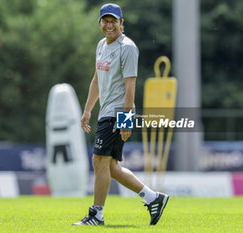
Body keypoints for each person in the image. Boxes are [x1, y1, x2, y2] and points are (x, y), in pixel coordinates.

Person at [72, 3, 169, 226]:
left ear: (121, 23)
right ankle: (154, 198)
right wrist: (87, 110)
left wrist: (126, 121)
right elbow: (97, 79)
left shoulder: (127, 47)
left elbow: (131, 86)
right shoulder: (101, 46)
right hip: (105, 112)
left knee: (98, 161)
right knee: (111, 167)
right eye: (105, 21)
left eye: (113, 21)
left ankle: (96, 215)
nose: (109, 25)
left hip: (118, 114)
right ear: (100, 23)